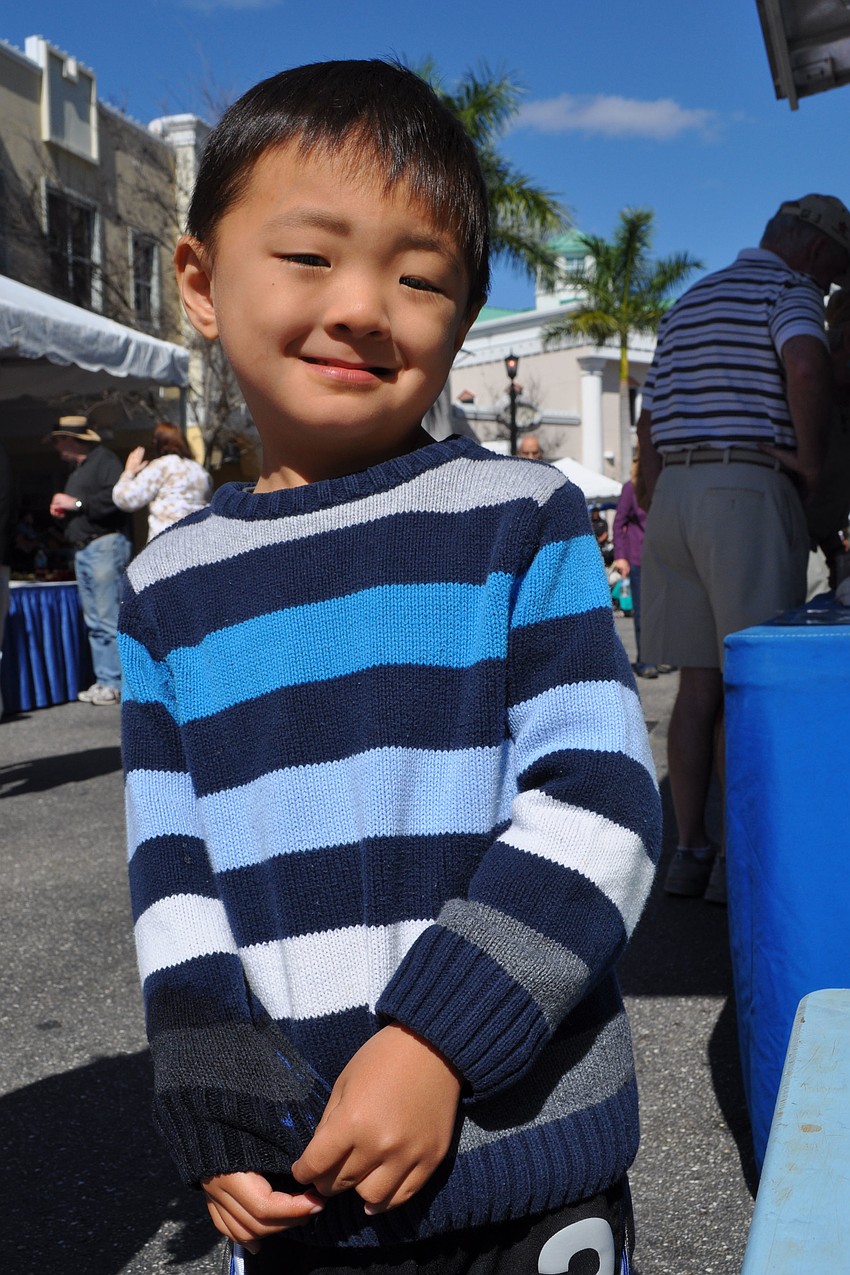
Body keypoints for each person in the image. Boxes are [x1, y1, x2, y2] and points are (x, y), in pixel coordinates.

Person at [119, 60, 661, 1275]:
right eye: (310, 257)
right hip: (296, 1182)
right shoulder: (165, 591)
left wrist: (437, 1040)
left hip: (523, 1157)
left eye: (420, 279)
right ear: (199, 282)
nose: (364, 305)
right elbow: (175, 878)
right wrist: (215, 1101)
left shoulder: (515, 518)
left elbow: (599, 805)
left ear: (461, 319)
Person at [637, 194, 850, 903]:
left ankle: (689, 850)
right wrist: (814, 465)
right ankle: (740, 863)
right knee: (749, 686)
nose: (828, 289)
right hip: (744, 491)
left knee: (697, 687)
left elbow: (648, 422)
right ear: (817, 252)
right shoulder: (786, 290)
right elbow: (808, 368)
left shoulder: (691, 299)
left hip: (676, 495)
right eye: (833, 275)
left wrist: (660, 494)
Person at [48, 416, 132, 706]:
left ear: (73, 440)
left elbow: (119, 498)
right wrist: (68, 510)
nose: (58, 447)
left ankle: (119, 684)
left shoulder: (104, 460)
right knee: (96, 620)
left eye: (60, 440)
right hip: (87, 549)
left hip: (103, 546)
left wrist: (77, 504)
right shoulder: (81, 468)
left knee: (108, 618)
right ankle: (106, 681)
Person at [612, 456, 668, 681]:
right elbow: (618, 522)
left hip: (664, 557)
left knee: (664, 611)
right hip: (638, 558)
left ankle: (662, 655)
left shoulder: (664, 485)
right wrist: (620, 556)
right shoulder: (631, 488)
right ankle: (646, 660)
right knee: (644, 612)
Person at [112, 421, 212, 540]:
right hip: (198, 540)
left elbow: (125, 499)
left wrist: (128, 472)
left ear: (158, 443)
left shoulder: (162, 466)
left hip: (167, 543)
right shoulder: (199, 470)